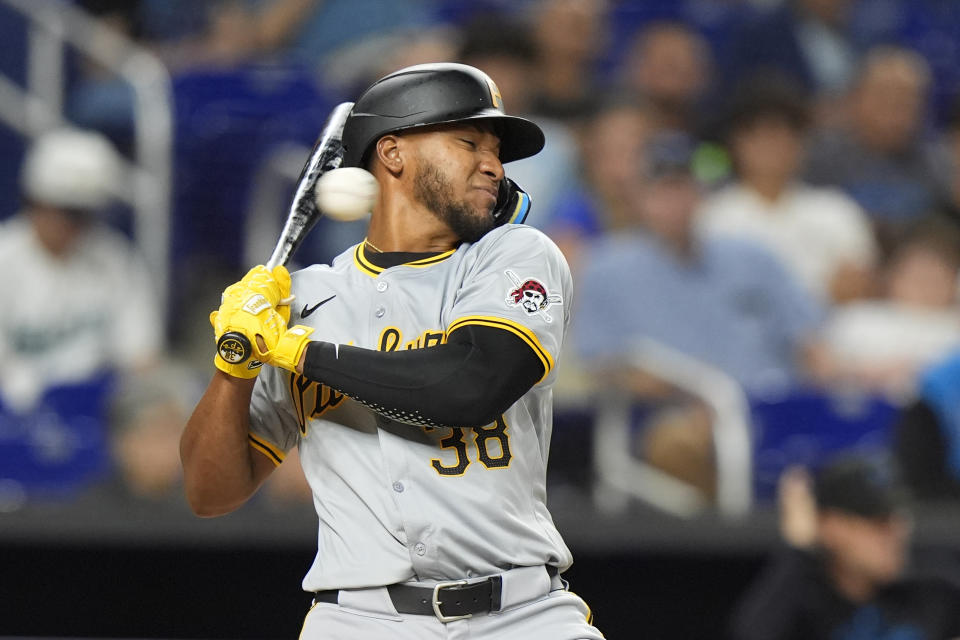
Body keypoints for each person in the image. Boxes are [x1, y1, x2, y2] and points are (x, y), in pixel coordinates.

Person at [181, 63, 603, 639]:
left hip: (522, 615)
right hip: (357, 620)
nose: (494, 165)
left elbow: (468, 387)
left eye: (497, 151)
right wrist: (233, 367)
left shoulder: (512, 257)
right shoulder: (302, 300)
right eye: (469, 142)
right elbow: (211, 492)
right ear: (393, 154)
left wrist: (295, 350)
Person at [730, 456, 960, 640]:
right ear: (832, 527)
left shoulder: (933, 593)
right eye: (879, 522)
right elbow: (752, 633)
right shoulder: (804, 606)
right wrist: (798, 549)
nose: (897, 532)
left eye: (899, 519)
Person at [698, 77, 877, 304]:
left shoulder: (836, 210)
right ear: (736, 143)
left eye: (784, 133)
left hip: (828, 333)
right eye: (758, 134)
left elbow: (856, 286)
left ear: (802, 143)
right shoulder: (712, 216)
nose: (772, 144)